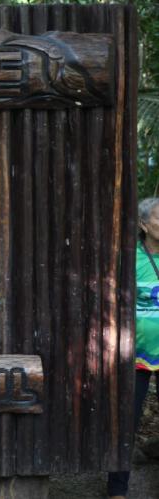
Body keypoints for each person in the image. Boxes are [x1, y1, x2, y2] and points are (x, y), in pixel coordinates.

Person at [106, 197, 159, 499]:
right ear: (143, 224)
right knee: (126, 422)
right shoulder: (128, 259)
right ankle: (117, 491)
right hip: (134, 354)